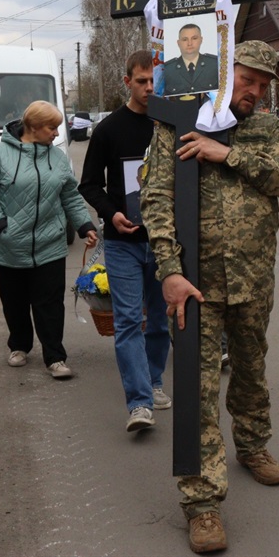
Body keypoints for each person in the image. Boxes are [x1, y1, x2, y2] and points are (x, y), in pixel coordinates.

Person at [143, 41, 279, 554]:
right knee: (196, 388)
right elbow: (156, 198)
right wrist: (168, 270)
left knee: (253, 368)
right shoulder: (176, 123)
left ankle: (253, 447)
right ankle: (202, 502)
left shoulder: (266, 127)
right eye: (247, 78)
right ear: (223, 71)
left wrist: (229, 154)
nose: (255, 90)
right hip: (196, 285)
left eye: (263, 83)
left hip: (255, 279)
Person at [78, 51, 172, 433]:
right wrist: (111, 212)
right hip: (122, 241)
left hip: (164, 241)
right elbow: (88, 183)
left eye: (153, 81)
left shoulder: (169, 124)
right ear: (127, 82)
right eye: (141, 81)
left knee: (161, 320)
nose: (149, 88)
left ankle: (153, 379)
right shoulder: (109, 130)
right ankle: (139, 403)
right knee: (130, 320)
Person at [0, 101, 98, 379]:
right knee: (15, 300)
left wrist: (84, 225)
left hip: (49, 243)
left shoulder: (57, 157)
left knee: (50, 302)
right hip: (8, 244)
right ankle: (19, 345)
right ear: (33, 128)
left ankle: (55, 357)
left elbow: (69, 195)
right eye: (52, 128)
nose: (56, 133)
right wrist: (0, 226)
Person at [163, 23, 219, 96]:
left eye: (194, 38)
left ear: (201, 40)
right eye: (185, 39)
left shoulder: (215, 64)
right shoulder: (167, 70)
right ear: (178, 43)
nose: (189, 43)